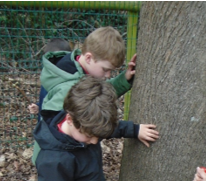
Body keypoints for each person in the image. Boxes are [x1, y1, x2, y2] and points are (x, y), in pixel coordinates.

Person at [31, 26, 158, 163]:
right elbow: (94, 122)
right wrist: (133, 130)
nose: (108, 75)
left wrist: (124, 79)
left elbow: (99, 93)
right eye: (105, 70)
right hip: (59, 159)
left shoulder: (77, 68)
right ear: (89, 58)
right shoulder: (68, 88)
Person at [28, 38, 73, 121]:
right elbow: (47, 99)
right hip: (45, 126)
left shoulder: (71, 80)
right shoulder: (48, 77)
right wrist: (39, 107)